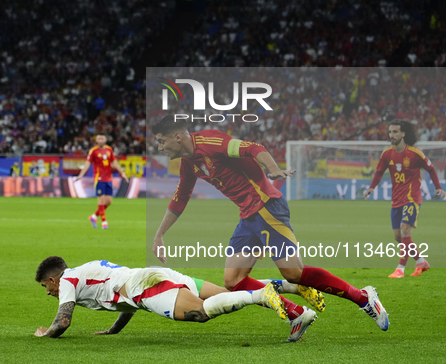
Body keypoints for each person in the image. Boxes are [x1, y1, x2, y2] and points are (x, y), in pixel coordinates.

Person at [150, 115, 389, 336]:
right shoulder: (188, 164)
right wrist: (160, 234)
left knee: (294, 273)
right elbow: (180, 197)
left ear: (177, 137)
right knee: (233, 280)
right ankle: (296, 314)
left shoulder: (211, 142)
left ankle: (364, 297)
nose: (160, 147)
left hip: (266, 206)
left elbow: (254, 148)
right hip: (248, 216)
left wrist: (273, 169)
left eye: (161, 142)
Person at [34, 256, 291, 340]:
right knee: (229, 295)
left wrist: (45, 334)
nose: (47, 292)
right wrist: (113, 330)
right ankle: (290, 287)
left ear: (54, 279)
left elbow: (62, 323)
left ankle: (261, 294)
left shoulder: (67, 280)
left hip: (144, 285)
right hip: (151, 275)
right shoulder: (86, 271)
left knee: (200, 313)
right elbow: (127, 301)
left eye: (46, 286)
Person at [364, 120, 445, 278]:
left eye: (395, 132)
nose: (391, 135)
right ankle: (421, 261)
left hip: (412, 198)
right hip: (396, 200)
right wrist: (372, 187)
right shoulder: (387, 154)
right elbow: (380, 171)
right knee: (398, 236)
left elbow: (431, 168)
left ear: (403, 133)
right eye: (390, 132)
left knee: (405, 230)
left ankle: (400, 269)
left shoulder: (414, 153)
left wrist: (438, 187)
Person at [75, 134, 129, 229]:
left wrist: (122, 173)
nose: (100, 139)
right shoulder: (93, 151)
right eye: (98, 138)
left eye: (102, 138)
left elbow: (114, 162)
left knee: (108, 201)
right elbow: (88, 163)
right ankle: (104, 223)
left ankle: (94, 216)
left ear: (105, 139)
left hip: (108, 178)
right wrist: (81, 174)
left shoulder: (109, 150)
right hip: (99, 179)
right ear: (96, 140)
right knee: (101, 200)